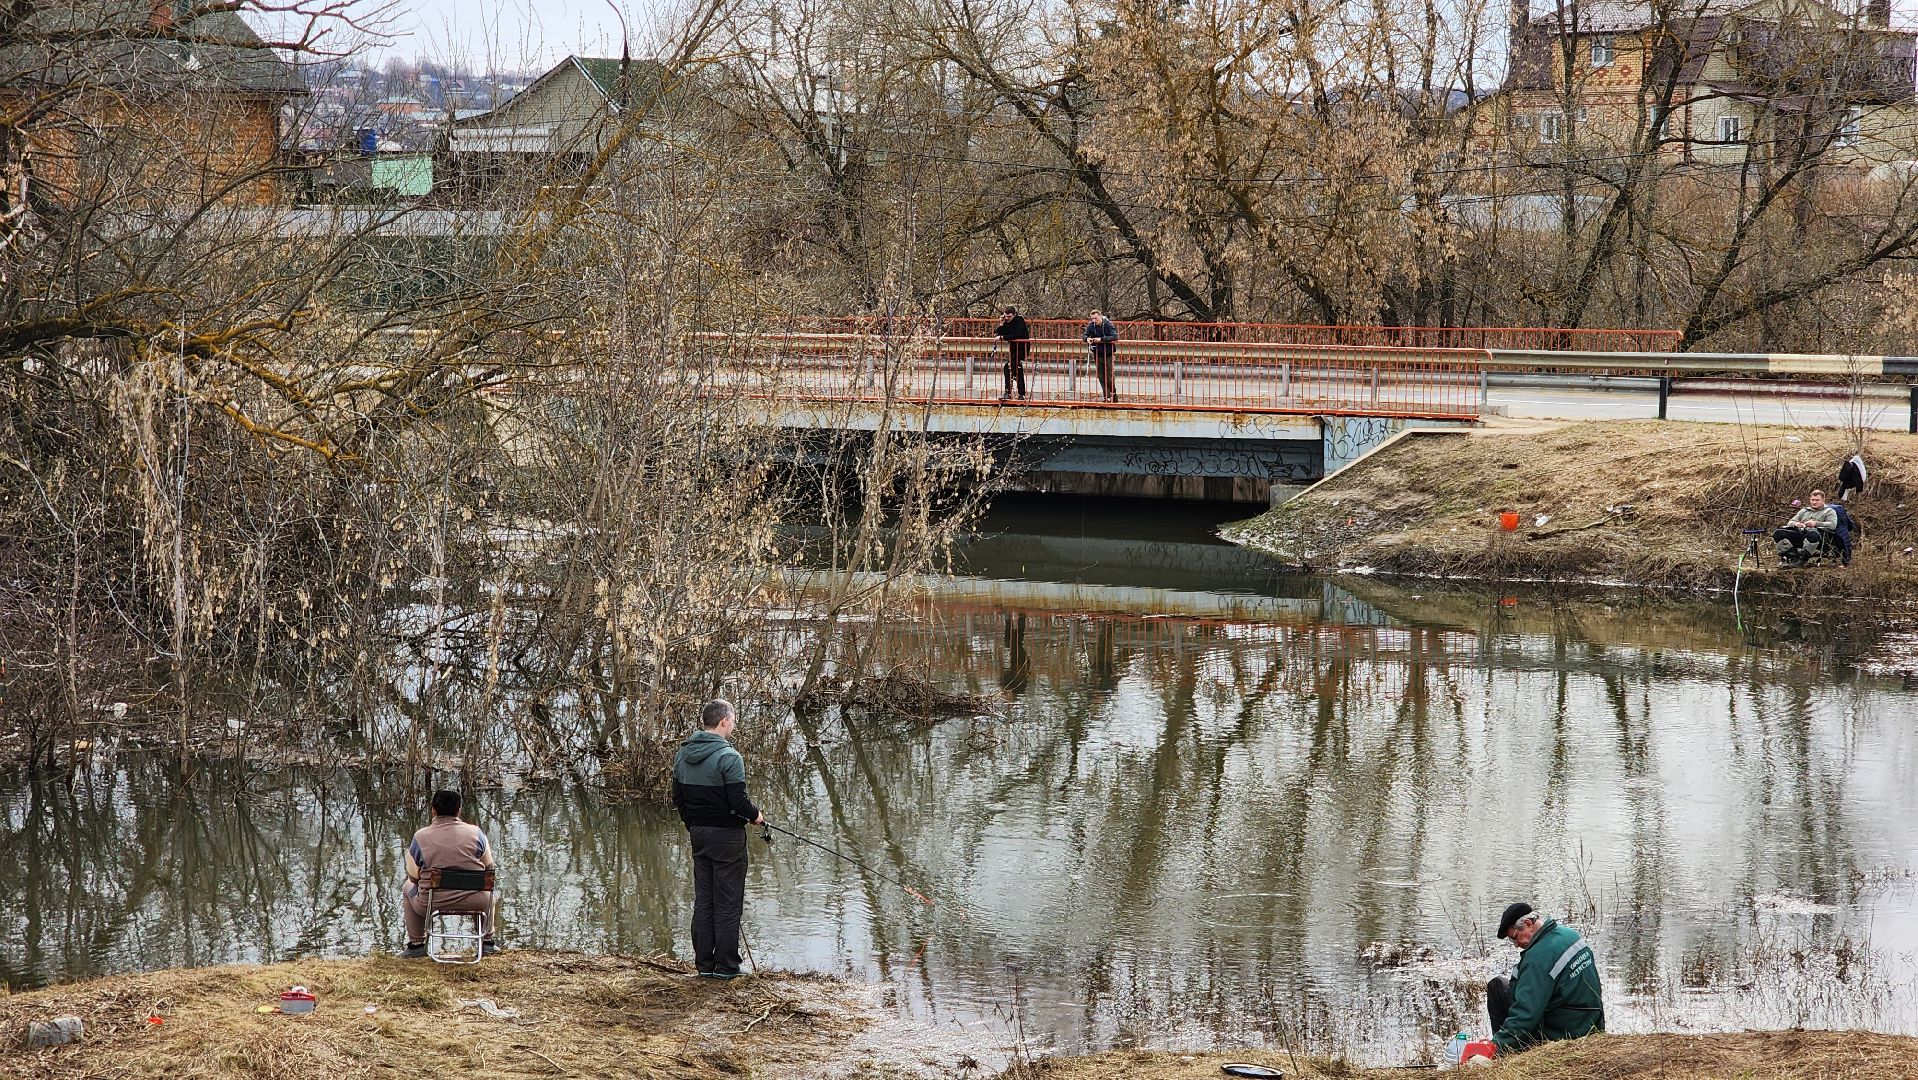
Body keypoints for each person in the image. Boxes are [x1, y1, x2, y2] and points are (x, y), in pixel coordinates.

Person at [671, 699, 764, 978]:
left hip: (699, 834)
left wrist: (693, 825)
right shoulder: (729, 757)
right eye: (733, 720)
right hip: (728, 838)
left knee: (705, 900)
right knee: (727, 902)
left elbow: (679, 799)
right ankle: (726, 967)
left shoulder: (682, 755)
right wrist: (756, 815)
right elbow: (737, 801)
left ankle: (704, 966)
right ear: (724, 721)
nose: (733, 726)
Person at [1485, 903, 1605, 1055]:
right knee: (1499, 986)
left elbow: (1526, 1015)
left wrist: (1493, 1049)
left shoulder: (1537, 959)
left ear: (1528, 924)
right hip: (1589, 1019)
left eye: (1515, 938)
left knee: (1497, 987)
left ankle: (1504, 1053)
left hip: (1565, 1031)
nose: (1516, 945)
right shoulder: (1569, 934)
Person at [401, 788, 498, 958]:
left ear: (433, 810)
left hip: (432, 902)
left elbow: (413, 876)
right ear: (459, 809)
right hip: (476, 902)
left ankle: (416, 945)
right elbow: (489, 868)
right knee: (487, 890)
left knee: (407, 886)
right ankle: (487, 942)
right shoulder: (477, 834)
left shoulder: (420, 837)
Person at [1773, 489, 1838, 564]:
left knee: (1813, 534)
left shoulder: (1829, 511)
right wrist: (1797, 524)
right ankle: (1793, 556)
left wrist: (1816, 523)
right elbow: (1790, 522)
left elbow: (1832, 525)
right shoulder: (1804, 511)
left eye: (1817, 500)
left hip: (1817, 537)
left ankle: (1803, 558)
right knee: (1778, 533)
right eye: (1812, 500)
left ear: (1823, 500)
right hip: (1800, 534)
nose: (1814, 502)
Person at [993, 306, 1031, 401]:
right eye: (1006, 316)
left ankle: (1011, 392)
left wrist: (1002, 337)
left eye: (1009, 316)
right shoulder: (1007, 322)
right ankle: (1016, 393)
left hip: (1022, 348)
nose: (1007, 318)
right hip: (1013, 349)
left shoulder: (1019, 320)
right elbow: (998, 332)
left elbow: (1016, 334)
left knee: (1012, 367)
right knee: (1014, 368)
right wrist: (1002, 324)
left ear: (1014, 315)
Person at [1082, 309, 1119, 401]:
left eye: (1096, 318)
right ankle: (1106, 395)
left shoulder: (1107, 324)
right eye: (1092, 319)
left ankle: (1113, 394)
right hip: (1097, 353)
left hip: (1108, 353)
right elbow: (1084, 335)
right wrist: (1087, 339)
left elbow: (1115, 336)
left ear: (1100, 316)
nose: (1094, 320)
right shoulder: (1091, 325)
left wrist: (1101, 339)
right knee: (1101, 376)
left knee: (1109, 376)